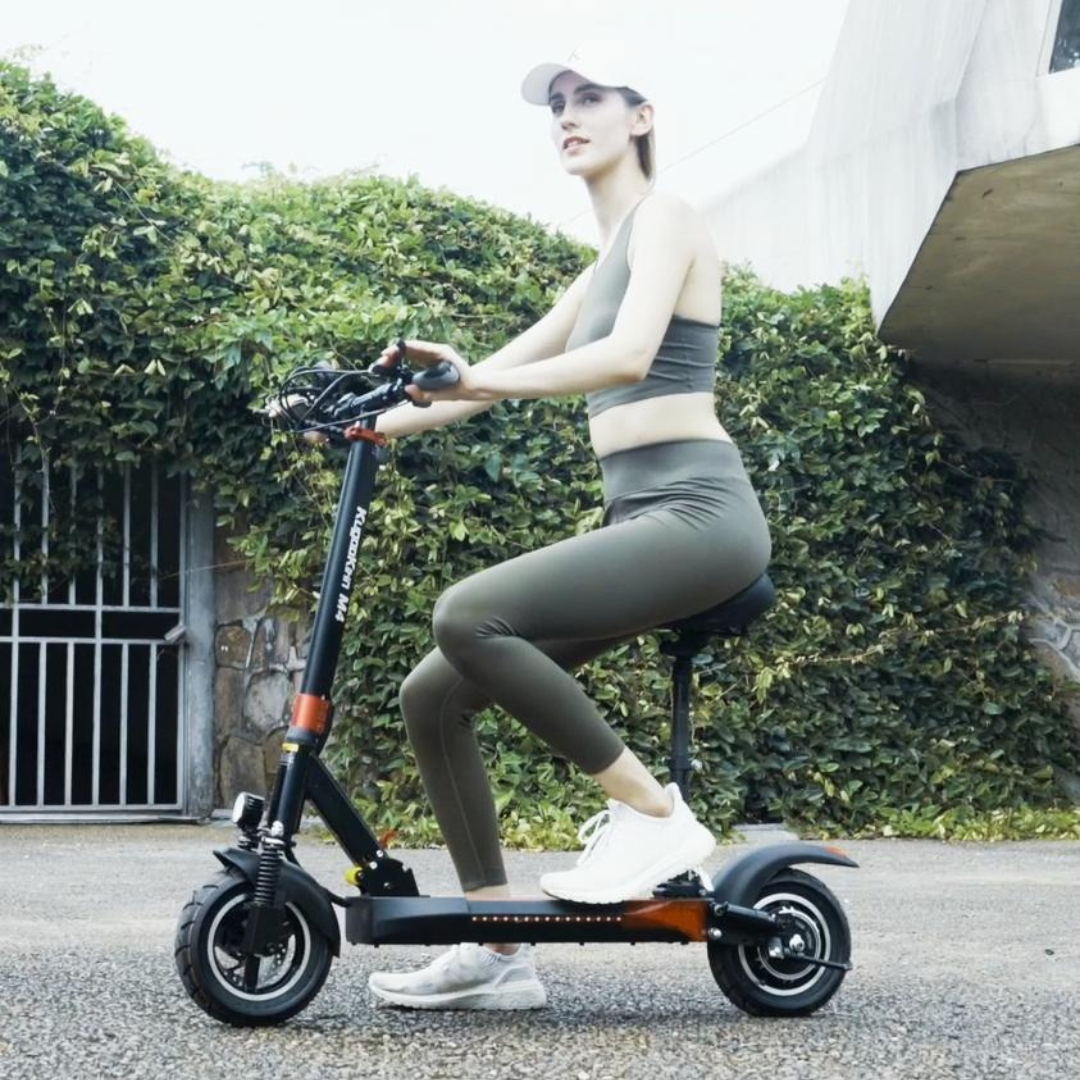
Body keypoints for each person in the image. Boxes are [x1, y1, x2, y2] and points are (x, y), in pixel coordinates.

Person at [355, 44, 773, 1010]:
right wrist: (363, 422)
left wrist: (475, 378)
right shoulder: (596, 273)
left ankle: (653, 813)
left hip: (702, 515)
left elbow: (628, 357)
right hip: (643, 518)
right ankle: (498, 950)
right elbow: (481, 386)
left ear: (642, 116)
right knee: (432, 696)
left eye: (589, 98)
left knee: (467, 614)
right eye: (556, 105)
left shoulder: (668, 218)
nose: (568, 116)